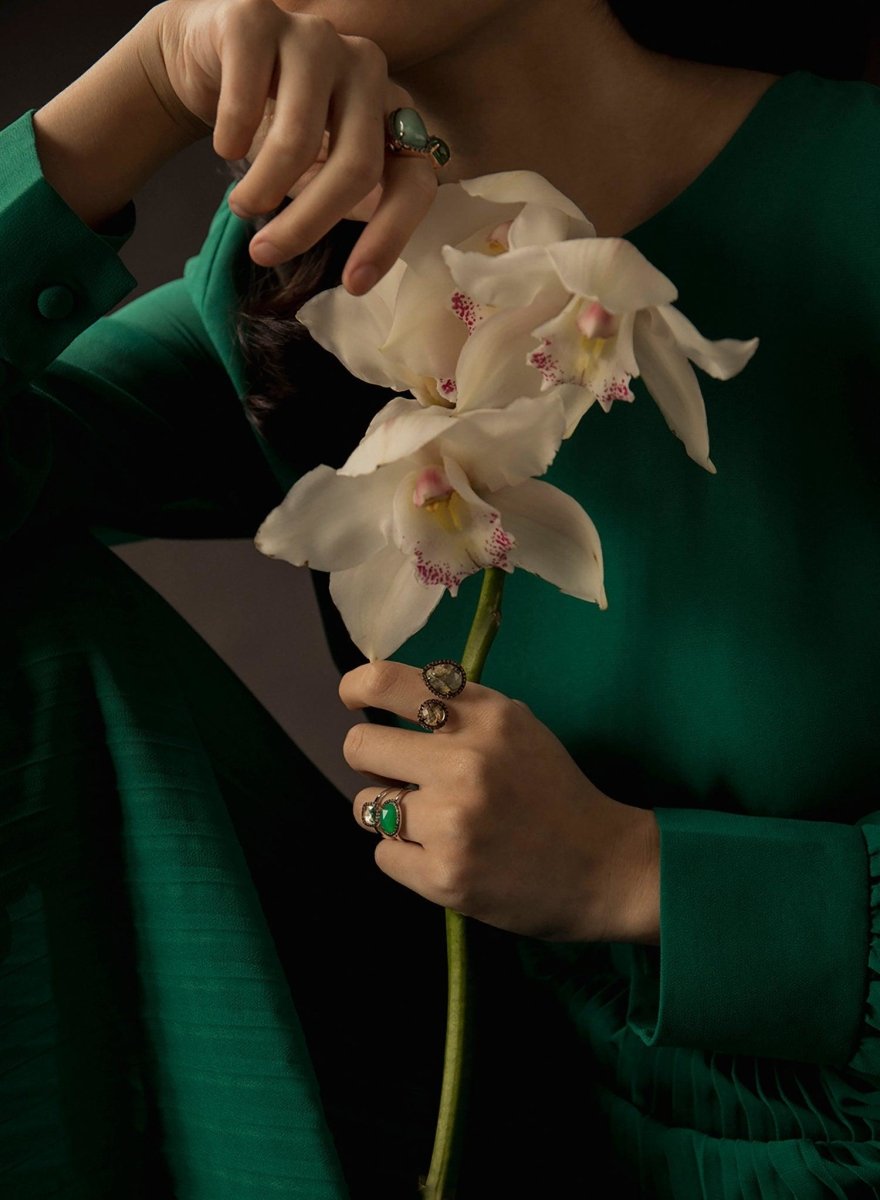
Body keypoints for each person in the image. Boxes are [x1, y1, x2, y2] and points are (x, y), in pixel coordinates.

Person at [2, 0, 879, 1196]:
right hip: (477, 1136)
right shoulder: (307, 287)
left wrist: (628, 874)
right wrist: (139, 93)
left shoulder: (849, 197)